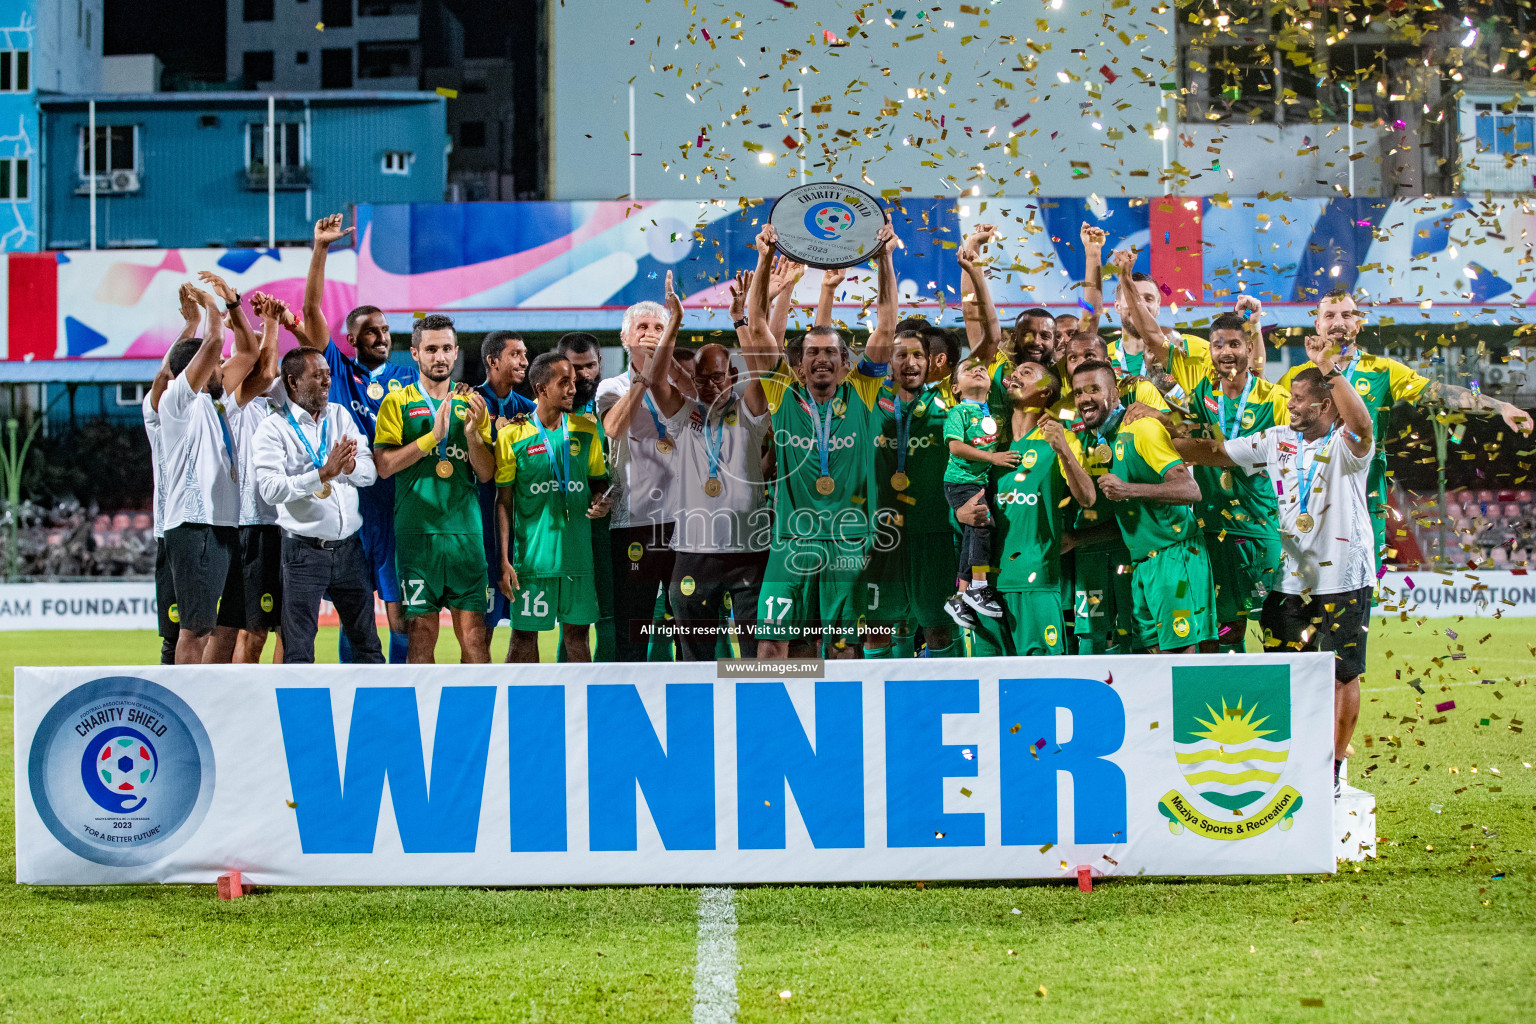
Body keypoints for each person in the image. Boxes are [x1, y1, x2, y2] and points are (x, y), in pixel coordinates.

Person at [1176, 362, 1377, 798]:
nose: (1290, 404)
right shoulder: (1276, 440)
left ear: (1325, 404)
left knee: (1343, 673)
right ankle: (1301, 753)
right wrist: (1161, 437)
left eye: (1299, 398)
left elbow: (1360, 421)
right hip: (1291, 579)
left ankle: (1334, 768)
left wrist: (1332, 369)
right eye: (1290, 396)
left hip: (1343, 578)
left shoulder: (1348, 445)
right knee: (1290, 670)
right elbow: (1216, 453)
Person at [1276, 288, 1535, 566]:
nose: (1338, 322)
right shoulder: (1294, 377)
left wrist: (1501, 407)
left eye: (1347, 315)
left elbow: (1441, 392)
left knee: (1357, 589)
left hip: (1364, 492)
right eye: (1329, 315)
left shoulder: (1383, 370)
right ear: (1317, 324)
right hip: (1309, 493)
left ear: (1358, 324)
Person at [740, 219, 898, 659]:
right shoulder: (780, 392)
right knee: (771, 644)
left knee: (845, 648)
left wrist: (884, 258)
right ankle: (775, 725)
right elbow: (755, 326)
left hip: (849, 543)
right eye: (812, 352)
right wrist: (765, 257)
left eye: (831, 352)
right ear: (799, 363)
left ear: (847, 362)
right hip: (791, 541)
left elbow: (885, 328)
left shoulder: (864, 392)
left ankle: (840, 727)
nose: (822, 359)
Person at [1121, 292, 1290, 655]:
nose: (1226, 351)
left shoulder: (1274, 397)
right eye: (1218, 345)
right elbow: (1184, 427)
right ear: (1209, 351)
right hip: (1214, 528)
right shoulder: (1203, 393)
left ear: (1249, 349)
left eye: (1234, 344)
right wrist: (1158, 417)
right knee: (1225, 630)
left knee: (1279, 627)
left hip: (1261, 527)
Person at [619, 272, 772, 660]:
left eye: (717, 377)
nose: (708, 386)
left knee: (756, 657)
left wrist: (740, 319)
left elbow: (762, 368)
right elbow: (654, 380)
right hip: (692, 551)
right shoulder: (683, 415)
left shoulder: (751, 413)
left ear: (732, 377)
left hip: (749, 551)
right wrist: (674, 321)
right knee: (695, 660)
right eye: (700, 379)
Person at [299, 212, 419, 664]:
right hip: (349, 505)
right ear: (350, 338)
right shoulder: (337, 368)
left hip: (396, 507)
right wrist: (321, 250)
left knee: (401, 617)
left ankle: (403, 696)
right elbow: (311, 314)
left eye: (386, 330)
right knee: (355, 614)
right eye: (371, 331)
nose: (382, 337)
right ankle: (355, 692)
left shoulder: (410, 377)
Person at [372, 314, 495, 663]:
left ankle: (480, 716)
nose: (439, 357)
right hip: (417, 535)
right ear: (414, 354)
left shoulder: (472, 405)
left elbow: (486, 474)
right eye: (431, 349)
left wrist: (471, 435)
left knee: (475, 639)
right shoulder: (396, 402)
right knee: (422, 637)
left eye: (445, 349)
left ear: (456, 353)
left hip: (465, 537)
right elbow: (384, 467)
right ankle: (425, 717)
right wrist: (432, 438)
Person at [1072, 359, 1216, 653]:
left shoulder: (1143, 430)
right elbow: (1132, 517)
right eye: (1077, 393)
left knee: (1181, 657)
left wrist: (1128, 490)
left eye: (1093, 390)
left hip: (1175, 556)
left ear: (1114, 393)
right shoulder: (1098, 444)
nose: (1084, 399)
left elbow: (1190, 489)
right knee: (1153, 661)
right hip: (1143, 564)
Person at [251, 347, 384, 664]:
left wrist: (348, 468)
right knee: (298, 650)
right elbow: (270, 489)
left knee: (367, 646)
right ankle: (300, 715)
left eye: (328, 374)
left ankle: (376, 715)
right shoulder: (273, 428)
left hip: (350, 549)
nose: (327, 381)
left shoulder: (340, 415)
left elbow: (369, 472)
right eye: (318, 376)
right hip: (303, 552)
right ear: (293, 382)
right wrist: (322, 473)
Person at [962, 362, 1097, 656]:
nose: (1014, 376)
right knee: (988, 685)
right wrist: (960, 513)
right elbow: (959, 500)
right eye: (1014, 372)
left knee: (1042, 685)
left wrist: (1063, 449)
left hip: (1035, 580)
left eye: (1026, 373)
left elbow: (1087, 498)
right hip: (982, 586)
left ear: (1046, 390)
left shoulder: (1059, 439)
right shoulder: (986, 441)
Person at [154, 287, 252, 664]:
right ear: (194, 369)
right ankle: (185, 709)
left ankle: (212, 704)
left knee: (227, 626)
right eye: (215, 364)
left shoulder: (215, 404)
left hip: (226, 525)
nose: (222, 367)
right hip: (194, 525)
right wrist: (210, 308)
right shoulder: (177, 402)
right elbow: (213, 344)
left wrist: (234, 307)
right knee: (195, 628)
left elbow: (247, 354)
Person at [495, 352, 613, 662]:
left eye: (573, 382)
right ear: (541, 388)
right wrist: (505, 560)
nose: (573, 389)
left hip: (577, 559)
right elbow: (503, 502)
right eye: (564, 383)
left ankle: (580, 710)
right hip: (532, 563)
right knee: (521, 641)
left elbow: (598, 482)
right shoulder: (512, 435)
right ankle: (519, 710)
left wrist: (599, 499)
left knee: (577, 640)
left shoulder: (587, 431)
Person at [200, 276, 285, 664]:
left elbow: (273, 370)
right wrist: (269, 322)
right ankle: (238, 708)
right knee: (249, 631)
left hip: (283, 522)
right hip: (250, 522)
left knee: (288, 625)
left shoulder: (281, 397)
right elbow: (261, 368)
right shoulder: (230, 400)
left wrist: (267, 323)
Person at [863, 329, 959, 659]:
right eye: (901, 354)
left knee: (939, 628)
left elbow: (987, 342)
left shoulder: (950, 401)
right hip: (882, 536)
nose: (910, 362)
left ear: (930, 362)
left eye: (918, 355)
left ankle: (949, 705)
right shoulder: (869, 399)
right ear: (887, 362)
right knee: (877, 632)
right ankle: (879, 707)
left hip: (934, 533)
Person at [597, 298, 681, 662]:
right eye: (642, 328)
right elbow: (614, 428)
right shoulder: (611, 387)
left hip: (686, 523)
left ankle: (695, 705)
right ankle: (628, 711)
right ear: (625, 336)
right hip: (633, 524)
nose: (649, 335)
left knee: (689, 628)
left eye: (659, 328)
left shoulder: (685, 386)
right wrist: (644, 379)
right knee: (632, 631)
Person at [144, 285, 204, 664]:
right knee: (176, 636)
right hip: (172, 531)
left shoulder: (215, 408)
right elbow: (167, 373)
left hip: (214, 529)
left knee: (213, 630)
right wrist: (193, 326)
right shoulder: (163, 408)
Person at [474, 330, 536, 658]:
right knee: (478, 636)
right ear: (492, 360)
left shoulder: (530, 410)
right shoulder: (469, 403)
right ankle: (475, 705)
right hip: (480, 533)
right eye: (515, 354)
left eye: (525, 354)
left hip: (522, 534)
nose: (524, 361)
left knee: (525, 631)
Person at [555, 331, 617, 660]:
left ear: (600, 363)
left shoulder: (613, 404)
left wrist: (603, 495)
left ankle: (611, 700)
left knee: (610, 619)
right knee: (571, 625)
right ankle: (562, 701)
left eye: (589, 366)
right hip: (562, 534)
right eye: (575, 368)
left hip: (611, 531)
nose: (583, 375)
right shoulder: (545, 414)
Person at [943, 356, 1016, 623]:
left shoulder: (995, 414)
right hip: (960, 481)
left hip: (980, 482)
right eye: (968, 370)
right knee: (981, 527)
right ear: (955, 388)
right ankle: (979, 587)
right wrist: (993, 459)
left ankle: (959, 598)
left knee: (972, 538)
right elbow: (956, 447)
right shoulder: (958, 412)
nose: (978, 371)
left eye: (982, 369)